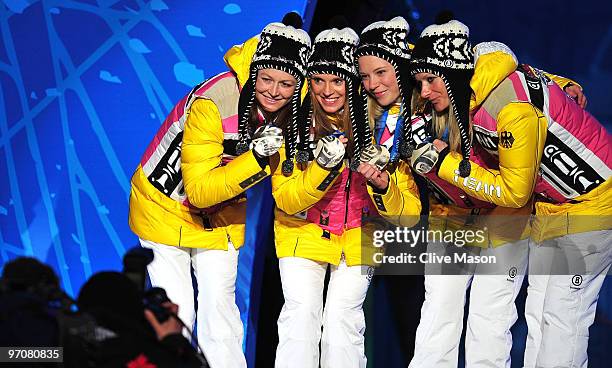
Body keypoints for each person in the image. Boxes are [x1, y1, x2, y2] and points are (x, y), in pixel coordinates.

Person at [409, 18, 611, 368]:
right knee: (539, 315)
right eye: (420, 83)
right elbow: (534, 75)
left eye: (431, 80)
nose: (424, 91)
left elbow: (515, 193)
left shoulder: (509, 106)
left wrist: (445, 164)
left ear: (455, 70)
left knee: (564, 316)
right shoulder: (477, 88)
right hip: (553, 206)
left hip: (592, 206)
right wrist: (565, 85)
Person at [128, 20, 311, 367]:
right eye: (267, 78)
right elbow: (197, 191)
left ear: (297, 84)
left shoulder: (298, 114)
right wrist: (256, 159)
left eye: (286, 83)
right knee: (176, 313)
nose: (273, 91)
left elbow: (288, 191)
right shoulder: (215, 101)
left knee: (221, 314)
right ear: (255, 70)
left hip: (222, 213)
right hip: (164, 208)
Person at [271, 27, 420, 368]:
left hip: (361, 234)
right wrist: (323, 167)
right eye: (318, 79)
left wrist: (384, 187)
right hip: (301, 230)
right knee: (301, 316)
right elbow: (287, 200)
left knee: (343, 320)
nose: (327, 90)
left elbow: (409, 214)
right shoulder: (292, 121)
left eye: (337, 80)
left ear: (352, 81)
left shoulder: (386, 123)